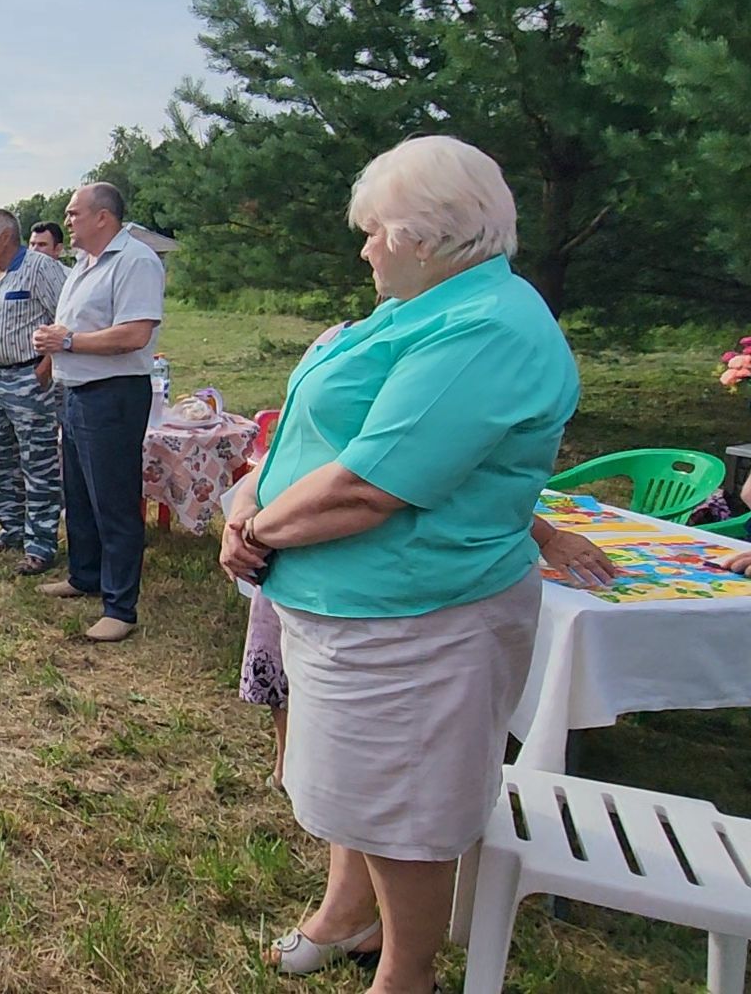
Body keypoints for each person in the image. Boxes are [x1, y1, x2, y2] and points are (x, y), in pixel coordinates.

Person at [218, 136, 581, 993]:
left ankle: (405, 973)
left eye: (375, 230)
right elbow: (313, 432)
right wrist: (247, 498)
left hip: (416, 615)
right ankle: (347, 916)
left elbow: (370, 487)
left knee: (403, 809)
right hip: (346, 601)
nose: (365, 246)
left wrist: (257, 528)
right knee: (356, 788)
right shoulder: (419, 307)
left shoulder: (488, 328)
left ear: (423, 234)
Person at [32, 183, 164, 643]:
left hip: (113, 393)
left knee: (113, 499)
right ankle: (85, 574)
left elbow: (135, 334)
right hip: (76, 391)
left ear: (103, 217)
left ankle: (120, 606)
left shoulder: (135, 262)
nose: (66, 221)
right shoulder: (82, 266)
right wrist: (58, 343)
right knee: (80, 493)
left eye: (73, 213)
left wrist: (67, 342)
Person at [0, 208, 67, 575]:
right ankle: (11, 529)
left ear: (6, 237)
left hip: (30, 378)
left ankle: (41, 543)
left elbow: (68, 314)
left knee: (38, 463)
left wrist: (48, 365)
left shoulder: (40, 268)